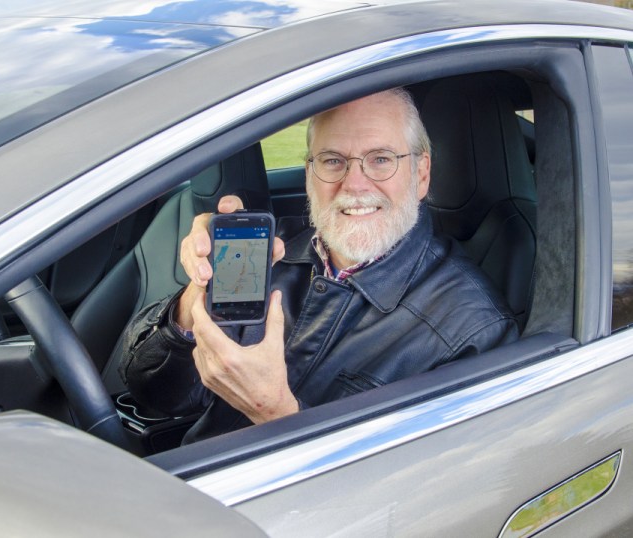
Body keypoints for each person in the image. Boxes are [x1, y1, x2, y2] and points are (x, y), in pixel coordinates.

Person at [118, 88, 519, 444]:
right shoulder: (270, 253)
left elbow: (421, 502)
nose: (355, 184)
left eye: (380, 159)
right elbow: (155, 393)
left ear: (422, 173)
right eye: (332, 160)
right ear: (310, 173)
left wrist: (276, 415)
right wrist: (197, 297)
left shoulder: (475, 332)